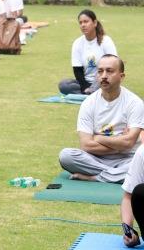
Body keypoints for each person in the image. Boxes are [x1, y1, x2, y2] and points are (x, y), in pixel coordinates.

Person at [58, 55, 142, 184]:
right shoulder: (88, 103)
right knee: (66, 156)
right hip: (96, 159)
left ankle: (95, 178)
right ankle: (120, 175)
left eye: (109, 71)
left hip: (128, 158)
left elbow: (129, 143)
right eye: (100, 71)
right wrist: (120, 144)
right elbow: (86, 145)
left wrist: (98, 138)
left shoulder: (134, 103)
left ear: (121, 76)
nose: (104, 75)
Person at [59, 10, 117, 96]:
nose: (83, 25)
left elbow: (113, 65)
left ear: (95, 23)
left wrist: (100, 79)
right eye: (80, 23)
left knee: (101, 76)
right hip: (85, 82)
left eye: (86, 21)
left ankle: (92, 93)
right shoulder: (77, 43)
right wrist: (84, 86)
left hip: (103, 80)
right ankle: (92, 93)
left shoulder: (106, 41)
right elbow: (77, 70)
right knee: (64, 85)